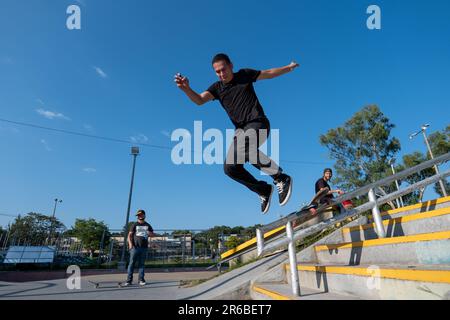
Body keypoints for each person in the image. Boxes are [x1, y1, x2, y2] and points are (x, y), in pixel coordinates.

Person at [174, 53, 298, 214]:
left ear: (231, 65)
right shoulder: (217, 88)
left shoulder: (244, 75)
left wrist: (288, 68)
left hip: (258, 122)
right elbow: (199, 100)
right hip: (241, 131)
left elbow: (269, 73)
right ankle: (263, 190)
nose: (221, 74)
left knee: (243, 149)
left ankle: (280, 177)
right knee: (230, 168)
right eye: (217, 72)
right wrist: (186, 89)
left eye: (223, 69)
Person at [124, 209, 157, 286]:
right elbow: (129, 235)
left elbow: (152, 235)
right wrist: (130, 244)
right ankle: (129, 280)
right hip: (135, 247)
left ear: (144, 215)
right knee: (131, 264)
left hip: (144, 248)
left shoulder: (148, 225)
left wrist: (150, 233)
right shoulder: (134, 225)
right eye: (138, 215)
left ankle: (141, 280)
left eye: (141, 215)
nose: (140, 216)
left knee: (141, 264)